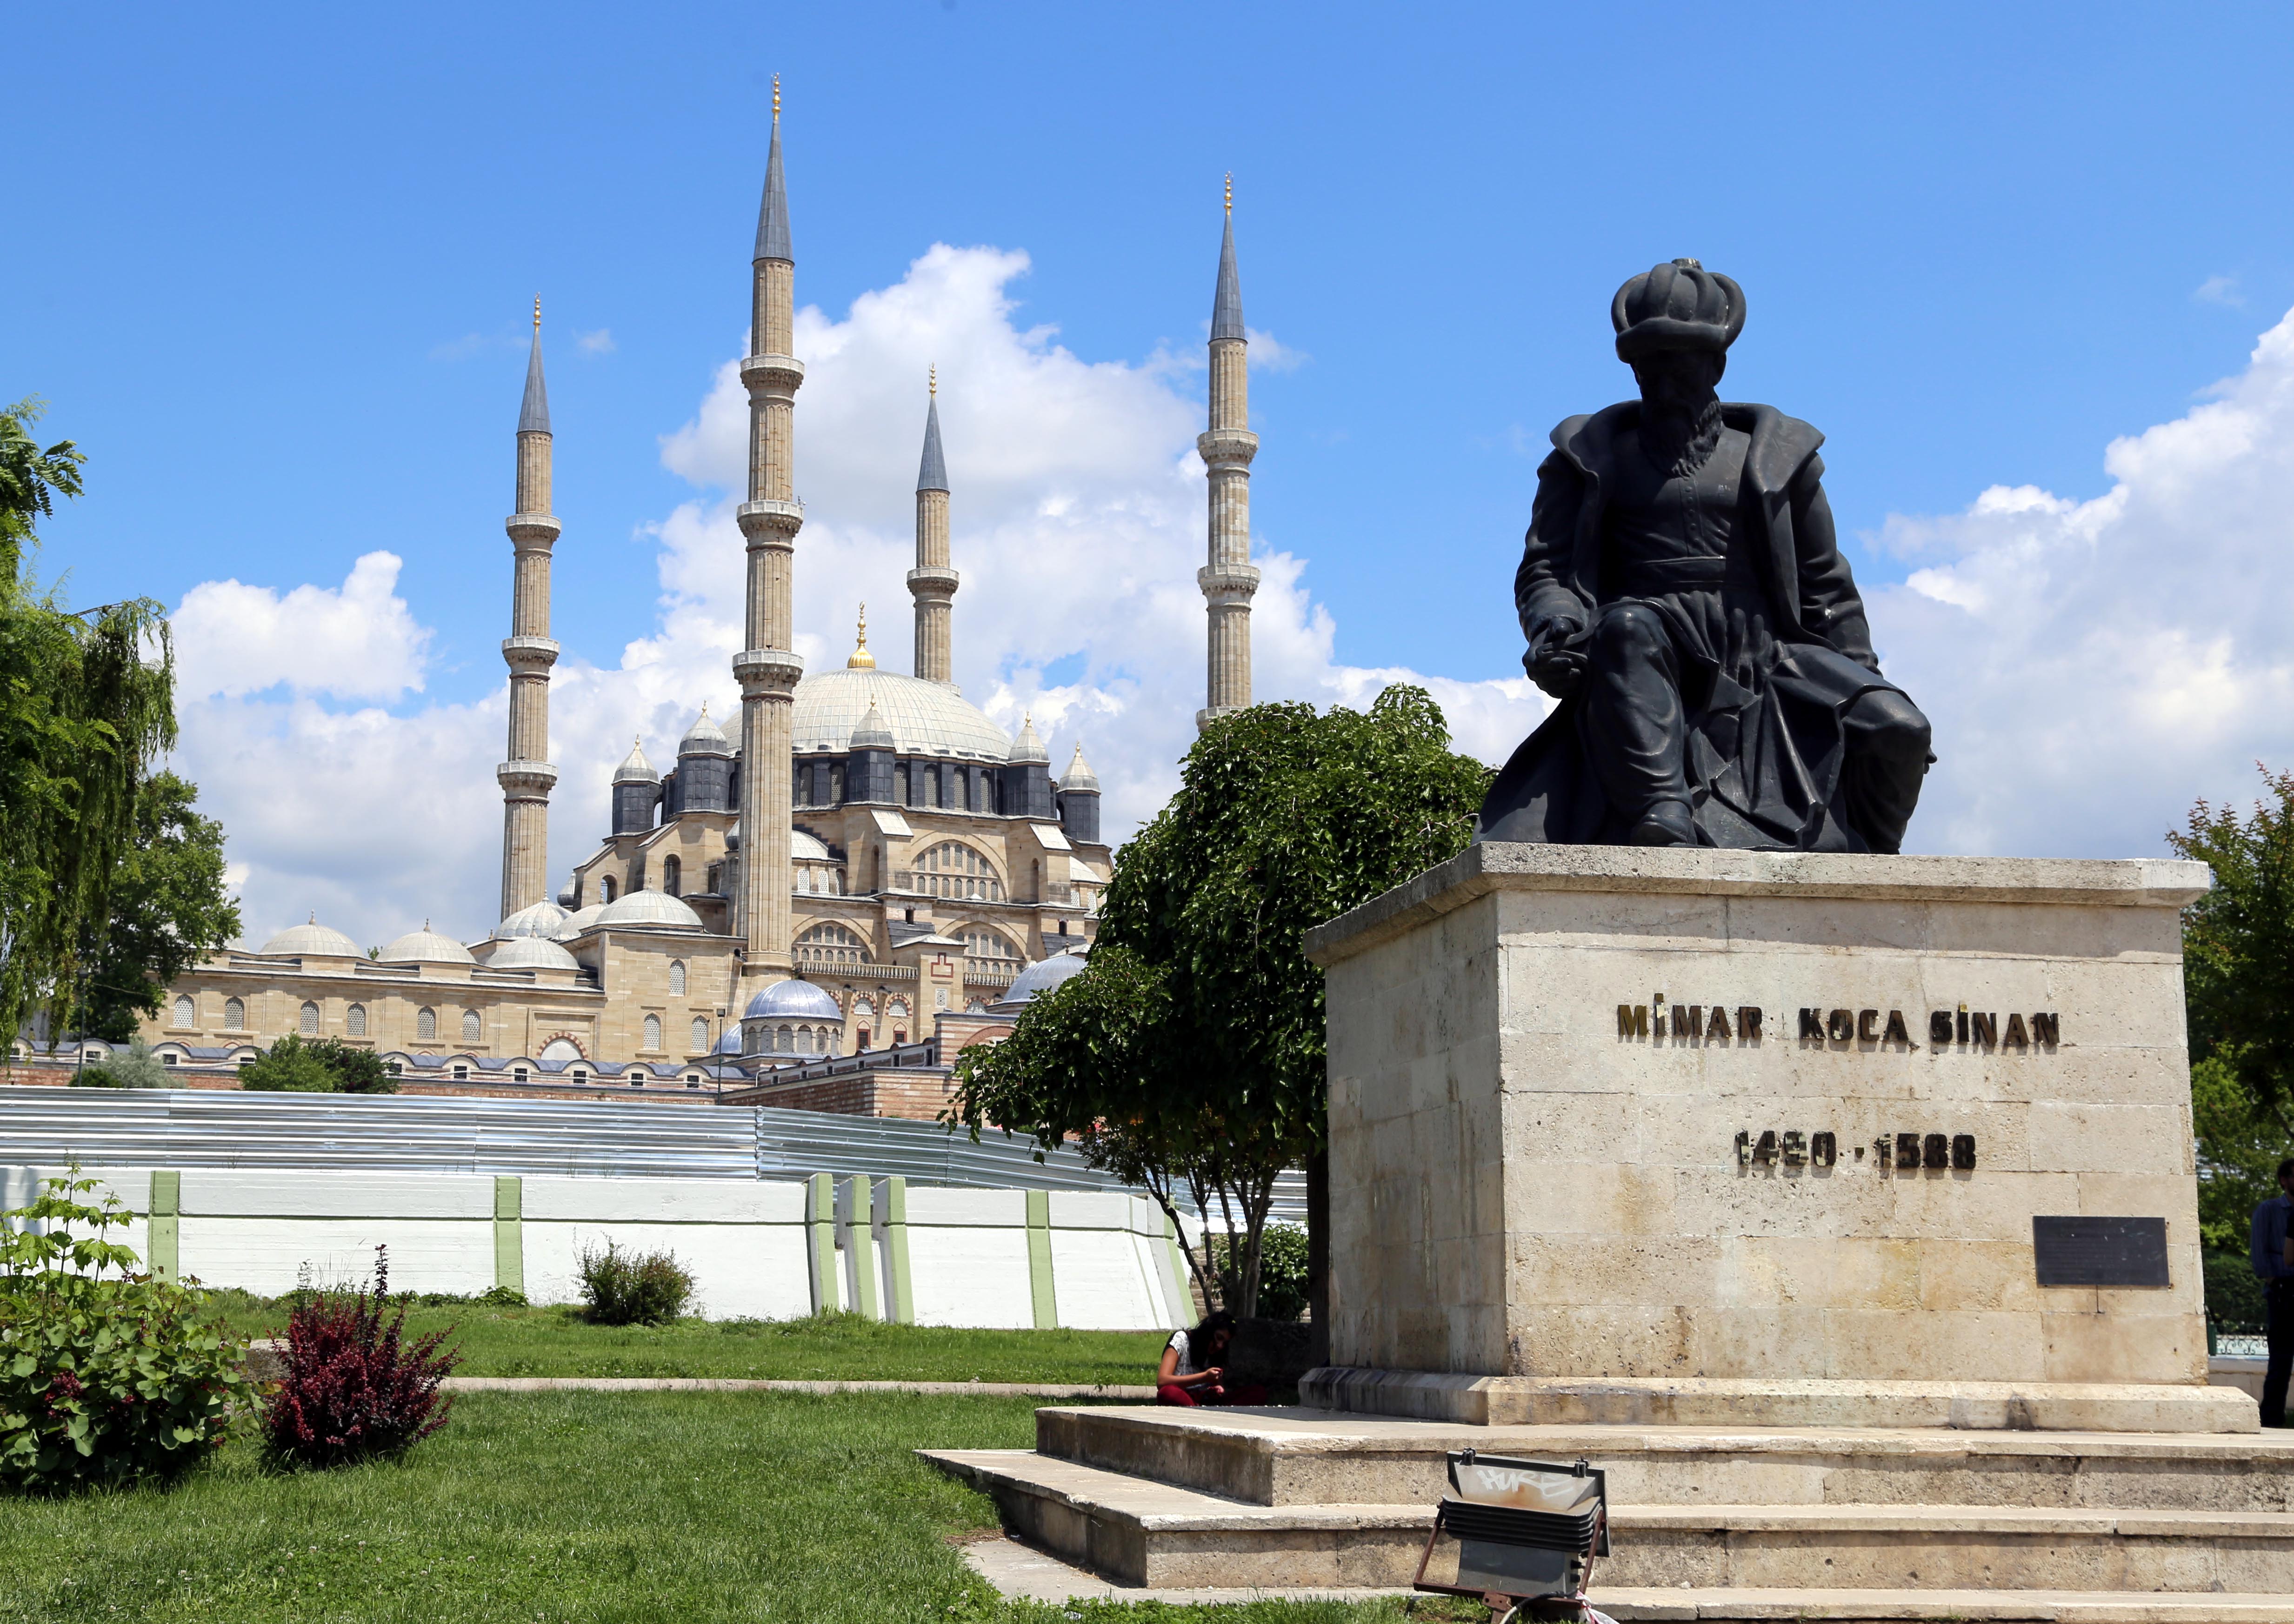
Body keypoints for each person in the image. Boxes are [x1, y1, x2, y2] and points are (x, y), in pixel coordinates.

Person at [1479, 259, 1933, 852]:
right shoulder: (1589, 457)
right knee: (1626, 626)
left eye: (1682, 367)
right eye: (1651, 369)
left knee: (1900, 729)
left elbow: (1826, 582)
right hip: (1647, 642)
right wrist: (1555, 629)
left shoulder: (1776, 457)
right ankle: (1660, 809)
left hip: (1768, 648)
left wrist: (1862, 674)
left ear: (1716, 365)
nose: (1666, 388)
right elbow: (1548, 570)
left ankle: (1870, 862)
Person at [2252, 1157, 2294, 1427]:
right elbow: (2259, 1251)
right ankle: (2271, 1419)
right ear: (2284, 1180)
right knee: (2280, 1361)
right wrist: (2275, 1277)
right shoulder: (2269, 1210)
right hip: (2284, 1290)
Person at [1155, 1309, 1267, 1407]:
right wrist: (1204, 1377)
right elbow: (1162, 1381)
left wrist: (1218, 1388)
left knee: (1258, 1393)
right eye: (1219, 1338)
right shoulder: (1182, 1339)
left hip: (1208, 1402)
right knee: (1167, 1393)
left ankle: (1206, 1414)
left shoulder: (1218, 1352)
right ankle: (1199, 1413)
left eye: (1225, 1343)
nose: (1220, 1346)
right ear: (1209, 1331)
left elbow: (1218, 1385)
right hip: (1184, 1397)